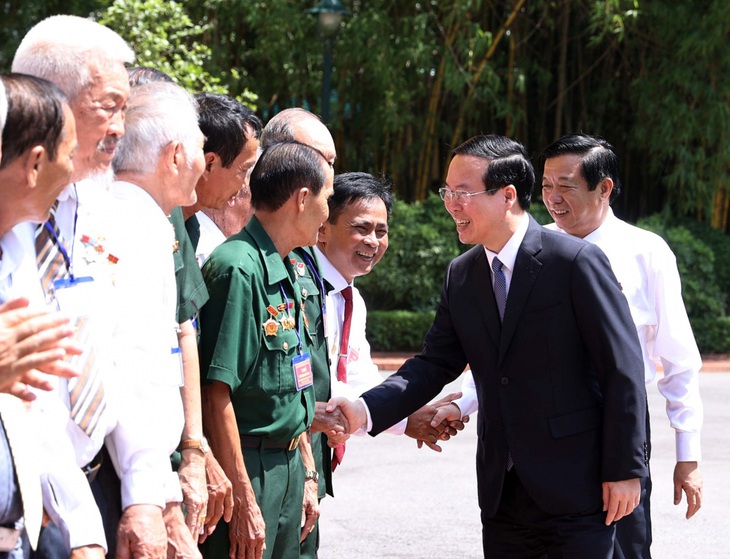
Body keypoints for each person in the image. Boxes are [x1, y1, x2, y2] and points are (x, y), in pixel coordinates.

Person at [329, 134, 650, 558]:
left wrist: (626, 469)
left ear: (507, 195)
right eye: (448, 192)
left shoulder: (573, 262)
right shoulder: (462, 275)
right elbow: (434, 364)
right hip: (504, 495)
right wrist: (366, 409)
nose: (451, 205)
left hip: (580, 489)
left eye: (463, 193)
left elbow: (622, 370)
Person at [11, 16, 195, 559]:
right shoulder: (14, 221)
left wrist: (150, 495)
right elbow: (31, 397)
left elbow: (133, 358)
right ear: (51, 104)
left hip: (102, 482)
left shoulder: (106, 212)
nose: (121, 125)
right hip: (28, 495)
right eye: (109, 105)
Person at [539, 133, 704, 559]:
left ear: (604, 188)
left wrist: (688, 455)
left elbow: (678, 359)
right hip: (540, 427)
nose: (553, 198)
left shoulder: (646, 252)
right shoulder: (531, 248)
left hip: (615, 423)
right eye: (546, 185)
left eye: (566, 186)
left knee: (621, 547)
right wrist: (461, 404)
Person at [198, 140, 335, 559]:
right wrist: (241, 497)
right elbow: (215, 391)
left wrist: (308, 470)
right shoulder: (239, 267)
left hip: (290, 464)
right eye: (328, 197)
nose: (330, 213)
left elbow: (296, 381)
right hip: (249, 468)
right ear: (303, 198)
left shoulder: (288, 266)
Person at [0, 72, 105, 559]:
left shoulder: (16, 249)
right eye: (69, 153)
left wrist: (74, 523)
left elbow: (37, 408)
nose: (75, 169)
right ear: (35, 162)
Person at [182, 92, 262, 265]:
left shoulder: (190, 228)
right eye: (244, 170)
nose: (244, 185)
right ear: (209, 164)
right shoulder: (154, 226)